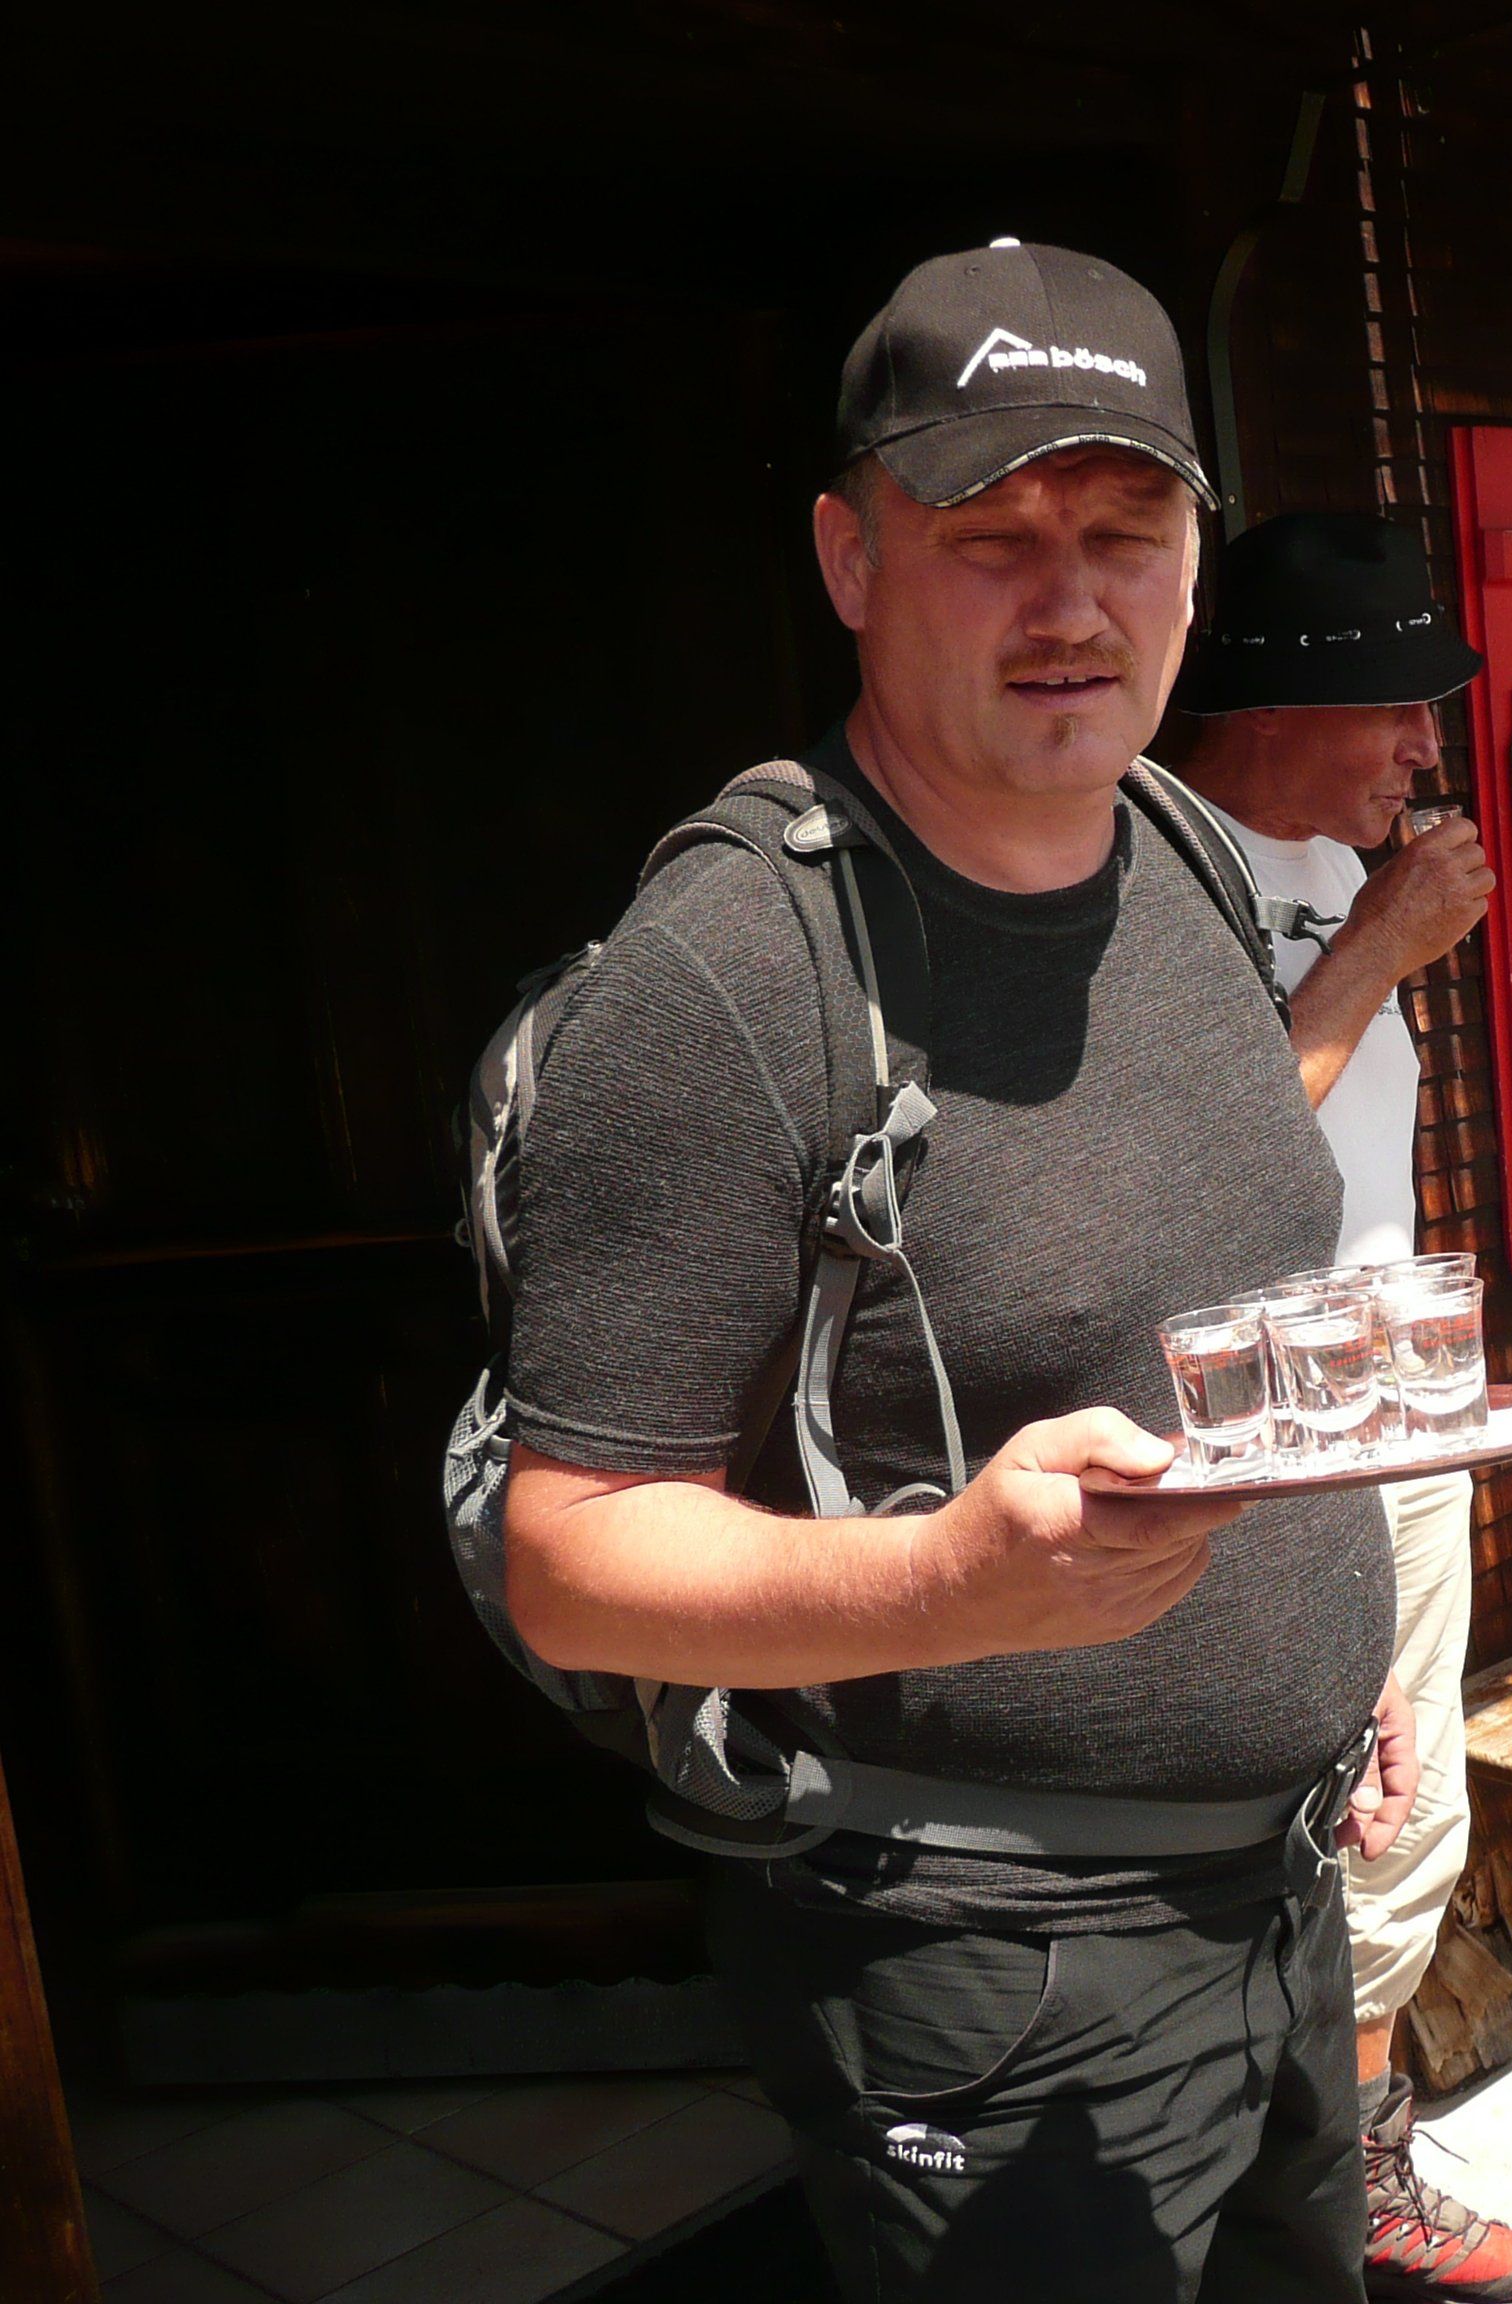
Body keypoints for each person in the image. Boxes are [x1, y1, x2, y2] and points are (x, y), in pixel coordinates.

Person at [499, 241, 1415, 2303]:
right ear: (852, 560)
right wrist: (946, 1584)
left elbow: (1185, 1288)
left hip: (1279, 1897)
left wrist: (1326, 1650)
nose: (1069, 600)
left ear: (1193, 560)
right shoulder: (736, 971)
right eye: (992, 538)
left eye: (1124, 531)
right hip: (988, 1962)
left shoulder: (1176, 850)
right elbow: (568, 1555)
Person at [1172, 514, 1512, 2304]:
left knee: (1405, 1819)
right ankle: (1282, 2208)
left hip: (1385, 1416)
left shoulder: (1333, 863)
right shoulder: (1158, 875)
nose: (1425, 749)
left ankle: (1357, 2186)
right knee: (1307, 1826)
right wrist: (1376, 947)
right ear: (1279, 706)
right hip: (1253, 1444)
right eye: (1398, 708)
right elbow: (1192, 1179)